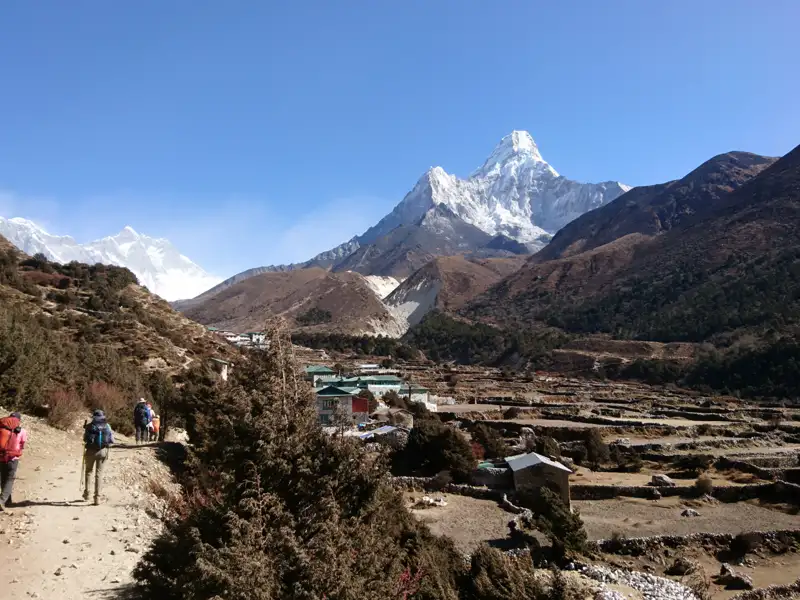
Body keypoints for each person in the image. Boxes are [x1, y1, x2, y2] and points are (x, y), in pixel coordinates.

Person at [83, 409, 114, 505]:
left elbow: (85, 439)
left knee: (88, 471)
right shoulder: (107, 426)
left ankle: (87, 494)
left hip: (90, 451)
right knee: (99, 474)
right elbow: (112, 440)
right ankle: (97, 498)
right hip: (102, 452)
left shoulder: (89, 426)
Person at [0, 412, 27, 511]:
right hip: (13, 458)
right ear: (18, 420)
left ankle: (8, 501)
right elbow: (22, 445)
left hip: (1, 457)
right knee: (10, 479)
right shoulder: (22, 431)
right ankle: (2, 500)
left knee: (3, 478)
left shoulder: (2, 428)